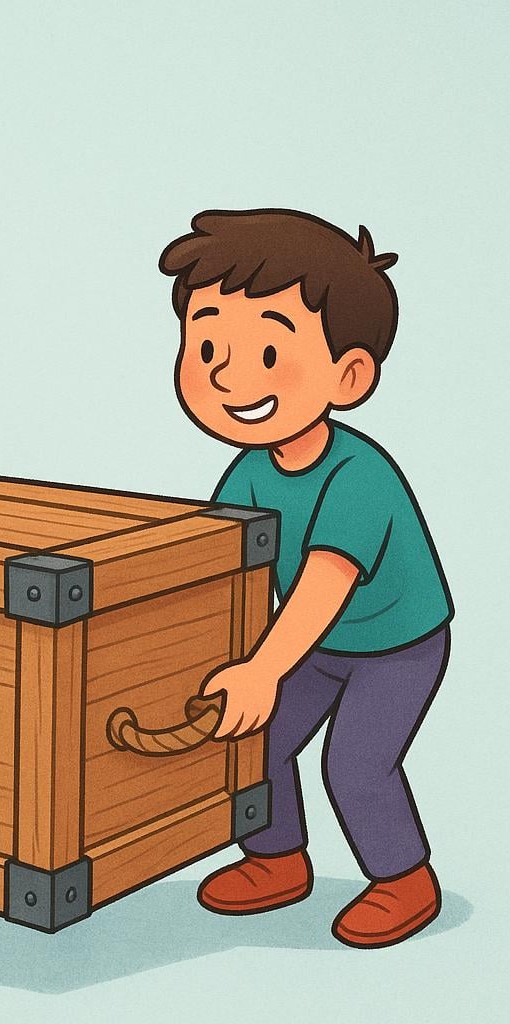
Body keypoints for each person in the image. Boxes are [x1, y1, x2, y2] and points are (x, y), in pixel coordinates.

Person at [159, 209, 453, 948]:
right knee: (255, 743)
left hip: (397, 645)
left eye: (265, 350)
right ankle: (277, 859)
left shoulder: (359, 475)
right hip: (315, 643)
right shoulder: (249, 472)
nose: (227, 372)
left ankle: (403, 877)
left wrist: (261, 667)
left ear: (349, 375)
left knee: (355, 765)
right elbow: (223, 562)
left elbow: (324, 582)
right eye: (206, 344)